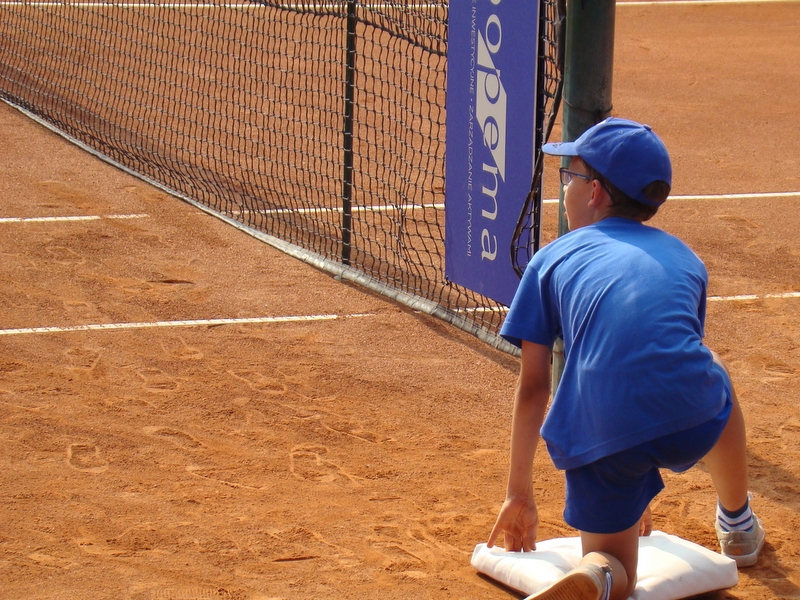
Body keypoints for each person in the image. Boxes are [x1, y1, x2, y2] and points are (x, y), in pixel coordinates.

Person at [486, 118, 765, 600]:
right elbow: (666, 359)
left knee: (617, 566)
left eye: (568, 177)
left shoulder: (550, 259)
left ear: (594, 192)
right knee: (711, 369)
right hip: (689, 414)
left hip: (604, 432)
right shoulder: (685, 259)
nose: (564, 189)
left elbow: (535, 386)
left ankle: (599, 575)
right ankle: (737, 522)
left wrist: (518, 493)